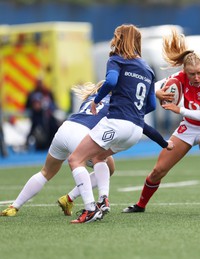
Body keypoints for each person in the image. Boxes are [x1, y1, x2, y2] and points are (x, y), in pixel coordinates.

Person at [122, 28, 200, 214]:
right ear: (185, 71)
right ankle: (140, 205)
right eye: (192, 74)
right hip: (189, 127)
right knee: (158, 170)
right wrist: (157, 93)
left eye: (199, 73)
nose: (196, 77)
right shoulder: (179, 78)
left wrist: (179, 109)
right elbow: (150, 87)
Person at [66, 24, 161, 224]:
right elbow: (152, 104)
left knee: (75, 160)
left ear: (119, 38)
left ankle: (90, 209)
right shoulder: (147, 69)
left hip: (116, 123)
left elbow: (110, 82)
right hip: (135, 131)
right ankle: (103, 200)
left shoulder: (116, 58)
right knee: (100, 157)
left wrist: (96, 99)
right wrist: (134, 113)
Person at [1, 81, 114, 217]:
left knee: (45, 172)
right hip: (82, 135)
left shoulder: (92, 97)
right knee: (105, 164)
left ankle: (14, 206)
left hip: (65, 128)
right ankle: (90, 205)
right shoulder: (116, 103)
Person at [25, 79, 59, 151]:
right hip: (43, 142)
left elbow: (54, 129)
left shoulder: (47, 114)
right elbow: (33, 127)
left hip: (51, 141)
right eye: (34, 103)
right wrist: (27, 140)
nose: (35, 105)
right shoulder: (34, 114)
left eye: (37, 103)